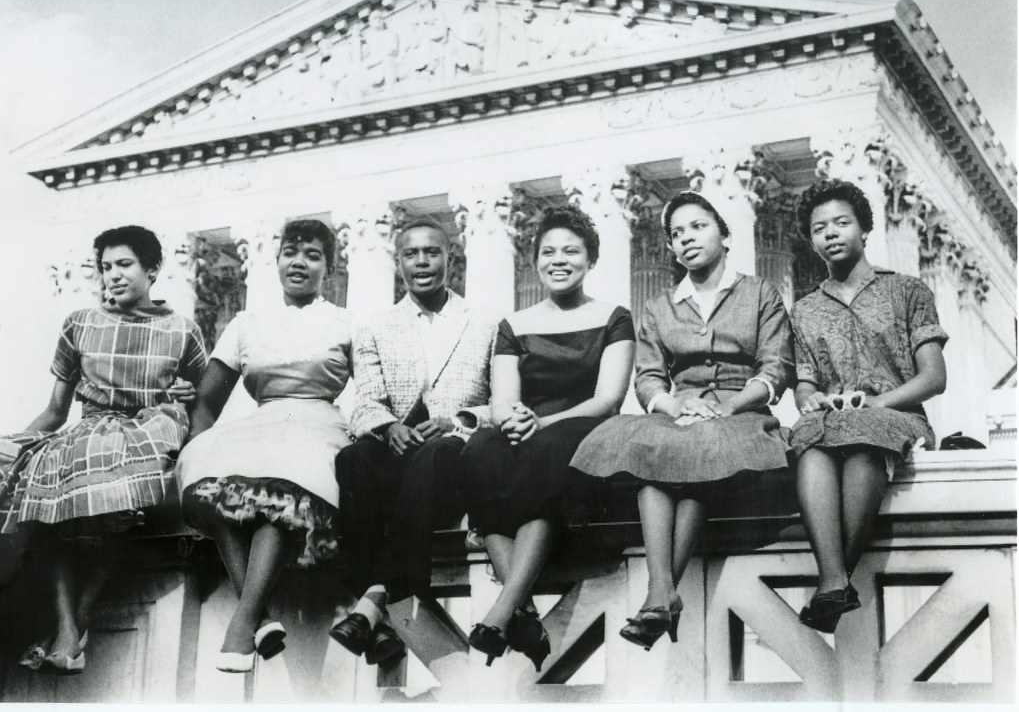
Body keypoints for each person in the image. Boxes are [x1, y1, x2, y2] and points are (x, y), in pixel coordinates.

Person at [570, 191, 794, 651]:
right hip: (682, 411)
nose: (687, 238)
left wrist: (728, 407)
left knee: (696, 449)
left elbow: (775, 368)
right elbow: (649, 377)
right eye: (677, 234)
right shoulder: (659, 306)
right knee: (654, 450)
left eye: (698, 226)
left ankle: (659, 593)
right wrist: (674, 406)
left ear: (725, 235)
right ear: (671, 249)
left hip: (742, 413)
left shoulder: (759, 293)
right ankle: (663, 590)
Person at [0, 225, 206, 674]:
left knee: (109, 473)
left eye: (124, 264)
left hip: (150, 430)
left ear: (152, 268)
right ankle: (68, 628)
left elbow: (205, 402)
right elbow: (55, 410)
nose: (112, 275)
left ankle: (76, 625)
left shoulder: (183, 332)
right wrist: (14, 446)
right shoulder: (80, 323)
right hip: (91, 430)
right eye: (106, 267)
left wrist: (186, 399)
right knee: (43, 476)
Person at [460, 205, 635, 670]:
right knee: (481, 451)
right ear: (535, 260)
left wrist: (543, 425)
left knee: (547, 451)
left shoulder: (614, 316)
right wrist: (511, 418)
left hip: (583, 425)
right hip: (529, 427)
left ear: (590, 260)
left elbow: (608, 399)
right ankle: (523, 612)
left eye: (571, 251)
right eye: (548, 252)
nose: (559, 260)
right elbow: (502, 400)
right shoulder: (514, 325)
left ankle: (502, 610)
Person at [176, 219, 352, 672]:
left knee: (284, 485)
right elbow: (208, 398)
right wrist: (197, 444)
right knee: (212, 474)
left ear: (328, 269)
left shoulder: (344, 322)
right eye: (291, 252)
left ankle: (245, 620)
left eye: (313, 255)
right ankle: (260, 617)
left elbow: (372, 388)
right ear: (276, 261)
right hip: (263, 421)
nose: (300, 262)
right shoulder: (245, 323)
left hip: (317, 422)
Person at [331, 218, 496, 667]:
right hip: (397, 446)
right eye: (411, 254)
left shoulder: (484, 322)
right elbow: (365, 402)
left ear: (450, 259)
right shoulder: (375, 326)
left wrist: (457, 419)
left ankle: (381, 595)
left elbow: (500, 400)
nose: (421, 262)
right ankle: (379, 612)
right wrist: (389, 428)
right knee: (353, 459)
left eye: (432, 252)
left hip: (453, 452)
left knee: (436, 455)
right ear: (398, 262)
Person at [788, 179, 947, 633]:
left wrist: (877, 401)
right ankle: (835, 582)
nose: (831, 234)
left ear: (864, 228)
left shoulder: (908, 291)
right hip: (832, 419)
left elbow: (933, 378)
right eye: (820, 229)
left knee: (862, 439)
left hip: (894, 416)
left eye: (842, 223)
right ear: (812, 240)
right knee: (807, 440)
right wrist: (810, 398)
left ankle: (832, 581)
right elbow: (804, 383)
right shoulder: (804, 310)